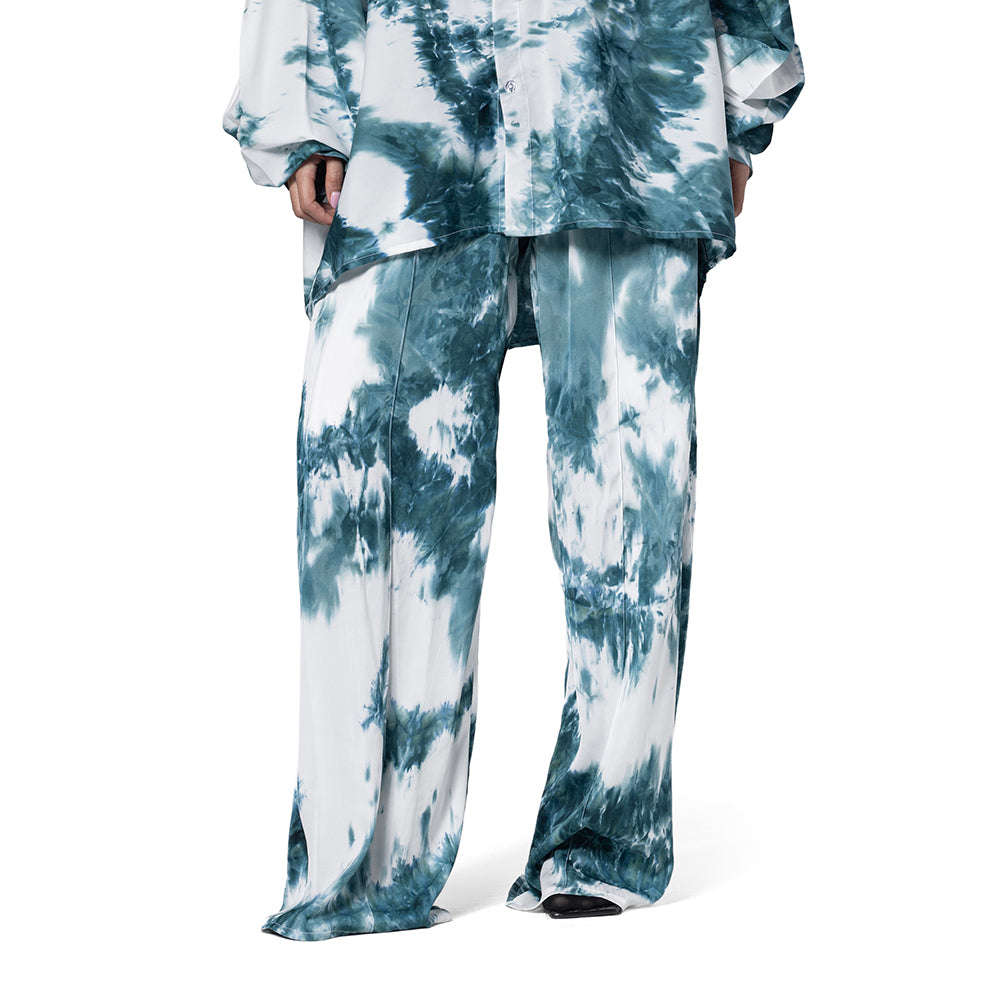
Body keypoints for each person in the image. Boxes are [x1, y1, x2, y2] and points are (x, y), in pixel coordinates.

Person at [223, 0, 804, 941]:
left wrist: (735, 109)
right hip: (411, 96)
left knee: (630, 482)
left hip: (630, 86)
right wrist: (301, 109)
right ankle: (366, 859)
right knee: (369, 480)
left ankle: (602, 836)